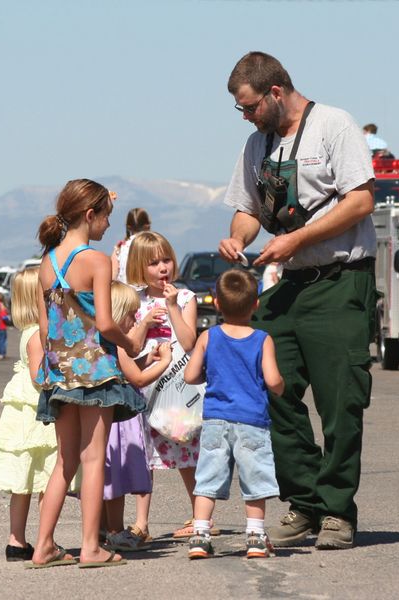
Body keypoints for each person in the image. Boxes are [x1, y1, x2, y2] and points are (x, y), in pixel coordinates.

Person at [219, 51, 377, 550]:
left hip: (340, 280)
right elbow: (247, 209)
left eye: (248, 107)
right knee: (270, 388)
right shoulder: (255, 143)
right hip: (288, 283)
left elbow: (361, 200)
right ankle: (305, 502)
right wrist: (237, 238)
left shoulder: (335, 125)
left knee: (339, 402)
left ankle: (337, 512)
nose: (245, 117)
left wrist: (297, 239)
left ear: (275, 93)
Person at [29, 179, 145, 569]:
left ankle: (43, 544)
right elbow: (107, 323)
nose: (109, 226)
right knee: (94, 459)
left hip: (59, 372)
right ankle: (91, 548)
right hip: (95, 371)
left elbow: (46, 329)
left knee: (66, 461)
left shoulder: (46, 264)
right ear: (90, 215)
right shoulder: (97, 261)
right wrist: (130, 344)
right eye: (106, 217)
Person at [184, 269, 284, 559]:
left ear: (216, 304)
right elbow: (273, 379)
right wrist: (281, 388)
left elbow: (191, 376)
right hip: (252, 421)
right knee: (255, 479)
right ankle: (254, 535)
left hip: (216, 419)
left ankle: (200, 534)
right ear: (256, 304)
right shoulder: (262, 339)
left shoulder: (209, 336)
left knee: (207, 478)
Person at [126, 231, 211, 539]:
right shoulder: (134, 300)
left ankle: (199, 516)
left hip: (178, 388)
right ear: (139, 266)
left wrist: (173, 306)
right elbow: (130, 346)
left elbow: (189, 341)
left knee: (187, 450)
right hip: (147, 388)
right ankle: (141, 523)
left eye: (166, 260)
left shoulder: (186, 297)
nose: (163, 268)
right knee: (145, 456)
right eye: (153, 263)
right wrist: (145, 322)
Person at [102, 281, 172, 552]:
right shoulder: (117, 346)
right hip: (119, 423)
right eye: (132, 314)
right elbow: (138, 378)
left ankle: (108, 528)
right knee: (116, 479)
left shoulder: (110, 345)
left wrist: (147, 359)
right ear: (118, 314)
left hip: (115, 419)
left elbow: (129, 371)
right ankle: (115, 530)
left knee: (111, 479)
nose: (135, 319)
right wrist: (164, 362)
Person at [0, 268, 58, 561]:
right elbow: (38, 376)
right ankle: (47, 539)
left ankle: (16, 539)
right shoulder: (36, 335)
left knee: (23, 483)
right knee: (46, 478)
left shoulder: (25, 332)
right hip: (37, 414)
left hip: (22, 415)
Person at [111, 207, 151, 282]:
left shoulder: (119, 248)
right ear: (147, 226)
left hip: (124, 291)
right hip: (145, 290)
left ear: (128, 227)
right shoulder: (152, 246)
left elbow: (113, 276)